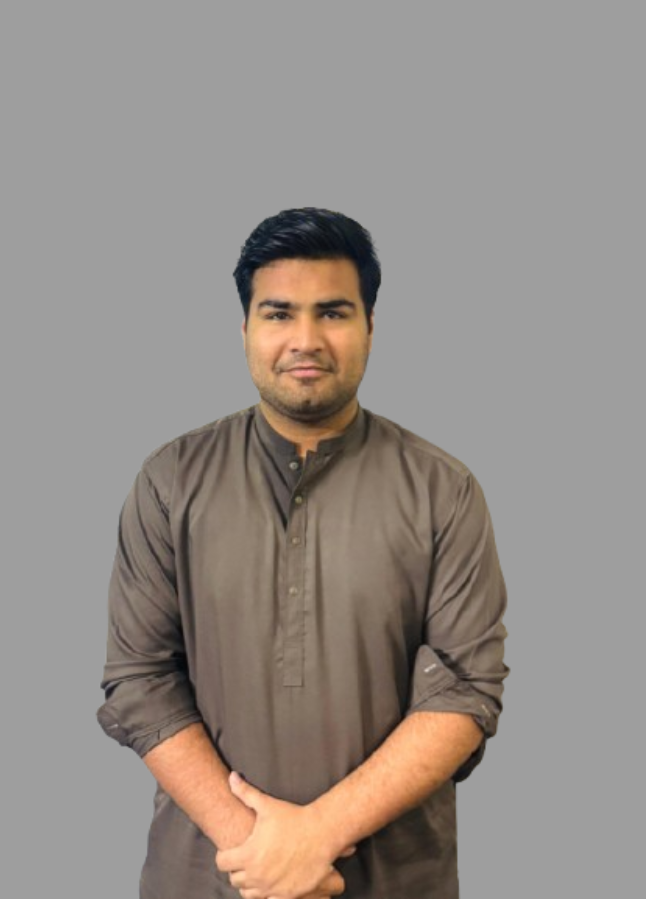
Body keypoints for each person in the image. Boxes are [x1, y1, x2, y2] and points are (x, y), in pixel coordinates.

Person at [97, 207, 509, 899]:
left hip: (393, 883)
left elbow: (467, 689)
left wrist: (313, 839)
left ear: (371, 326)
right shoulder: (171, 481)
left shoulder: (444, 490)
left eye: (334, 313)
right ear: (245, 328)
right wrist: (262, 855)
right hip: (207, 878)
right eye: (279, 313)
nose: (305, 339)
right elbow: (139, 681)